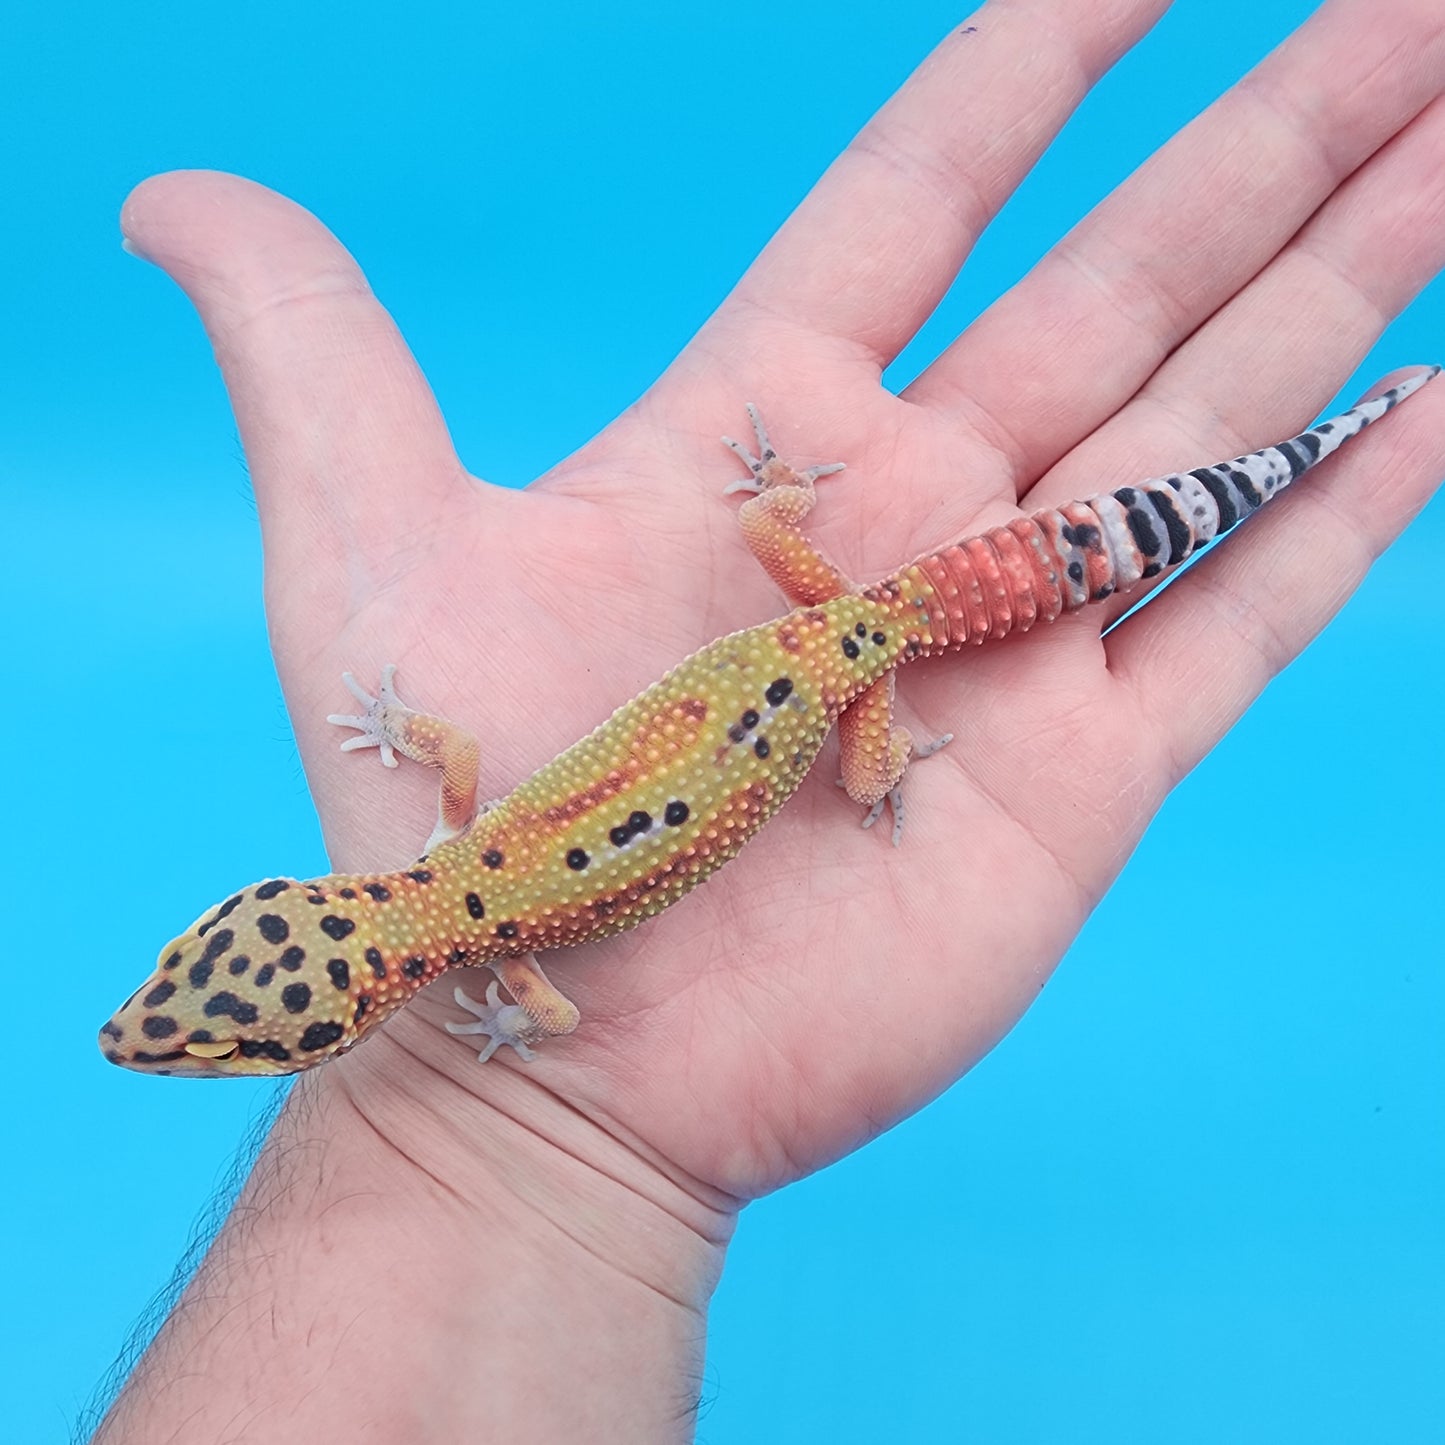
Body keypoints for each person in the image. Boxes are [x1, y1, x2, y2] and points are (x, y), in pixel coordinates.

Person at [92, 0, 1445, 1439]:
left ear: (344, 976)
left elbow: (540, 1010)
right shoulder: (466, 840)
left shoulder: (516, 953)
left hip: (855, 665)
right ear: (312, 916)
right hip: (819, 619)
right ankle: (1295, 445)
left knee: (919, 721)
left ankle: (1325, 441)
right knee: (879, 605)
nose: (172, 1022)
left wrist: (509, 1044)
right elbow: (459, 762)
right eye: (215, 1021)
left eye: (210, 1011)